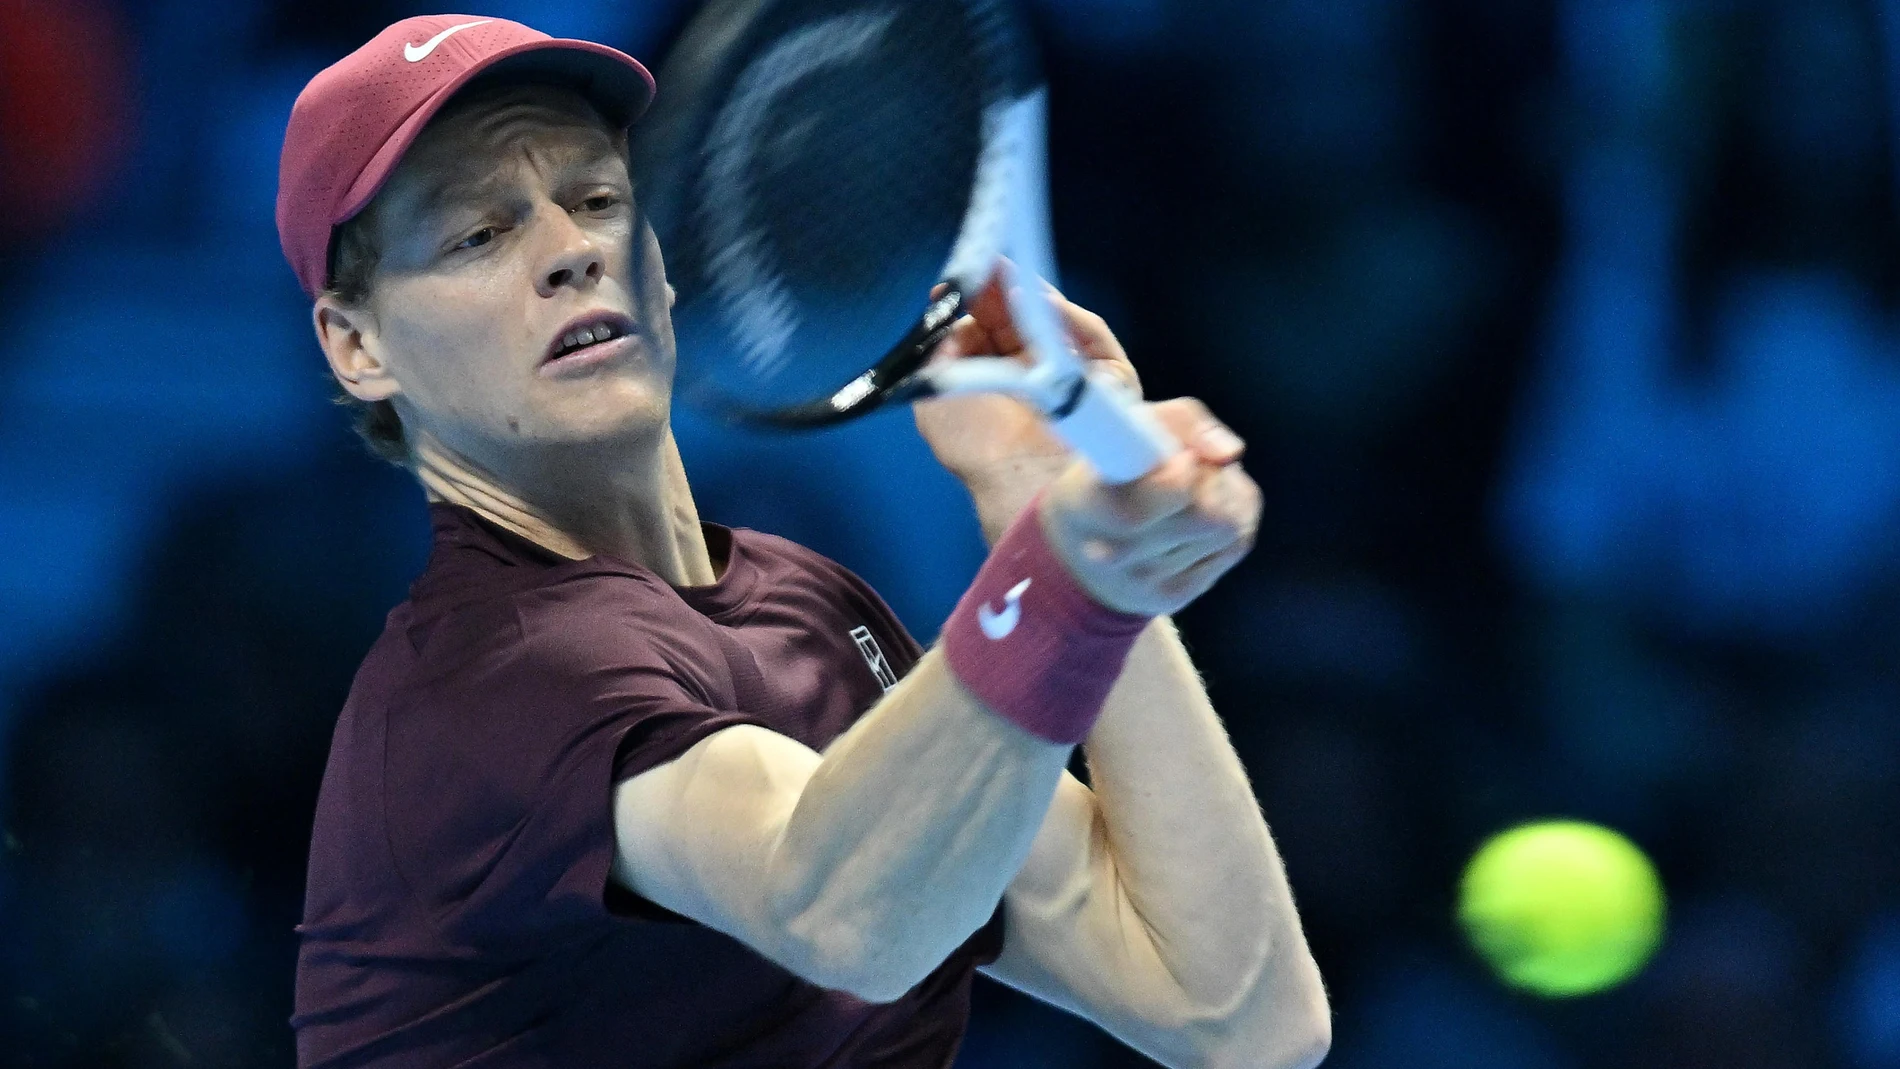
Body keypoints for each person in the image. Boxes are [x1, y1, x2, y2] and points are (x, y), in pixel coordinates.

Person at [277, 14, 1328, 1069]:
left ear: (660, 263)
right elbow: (843, 916)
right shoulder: (478, 682)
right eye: (477, 234)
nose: (572, 250)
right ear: (357, 345)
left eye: (597, 201)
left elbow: (1235, 1015)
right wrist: (1064, 581)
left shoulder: (813, 612)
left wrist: (1058, 518)